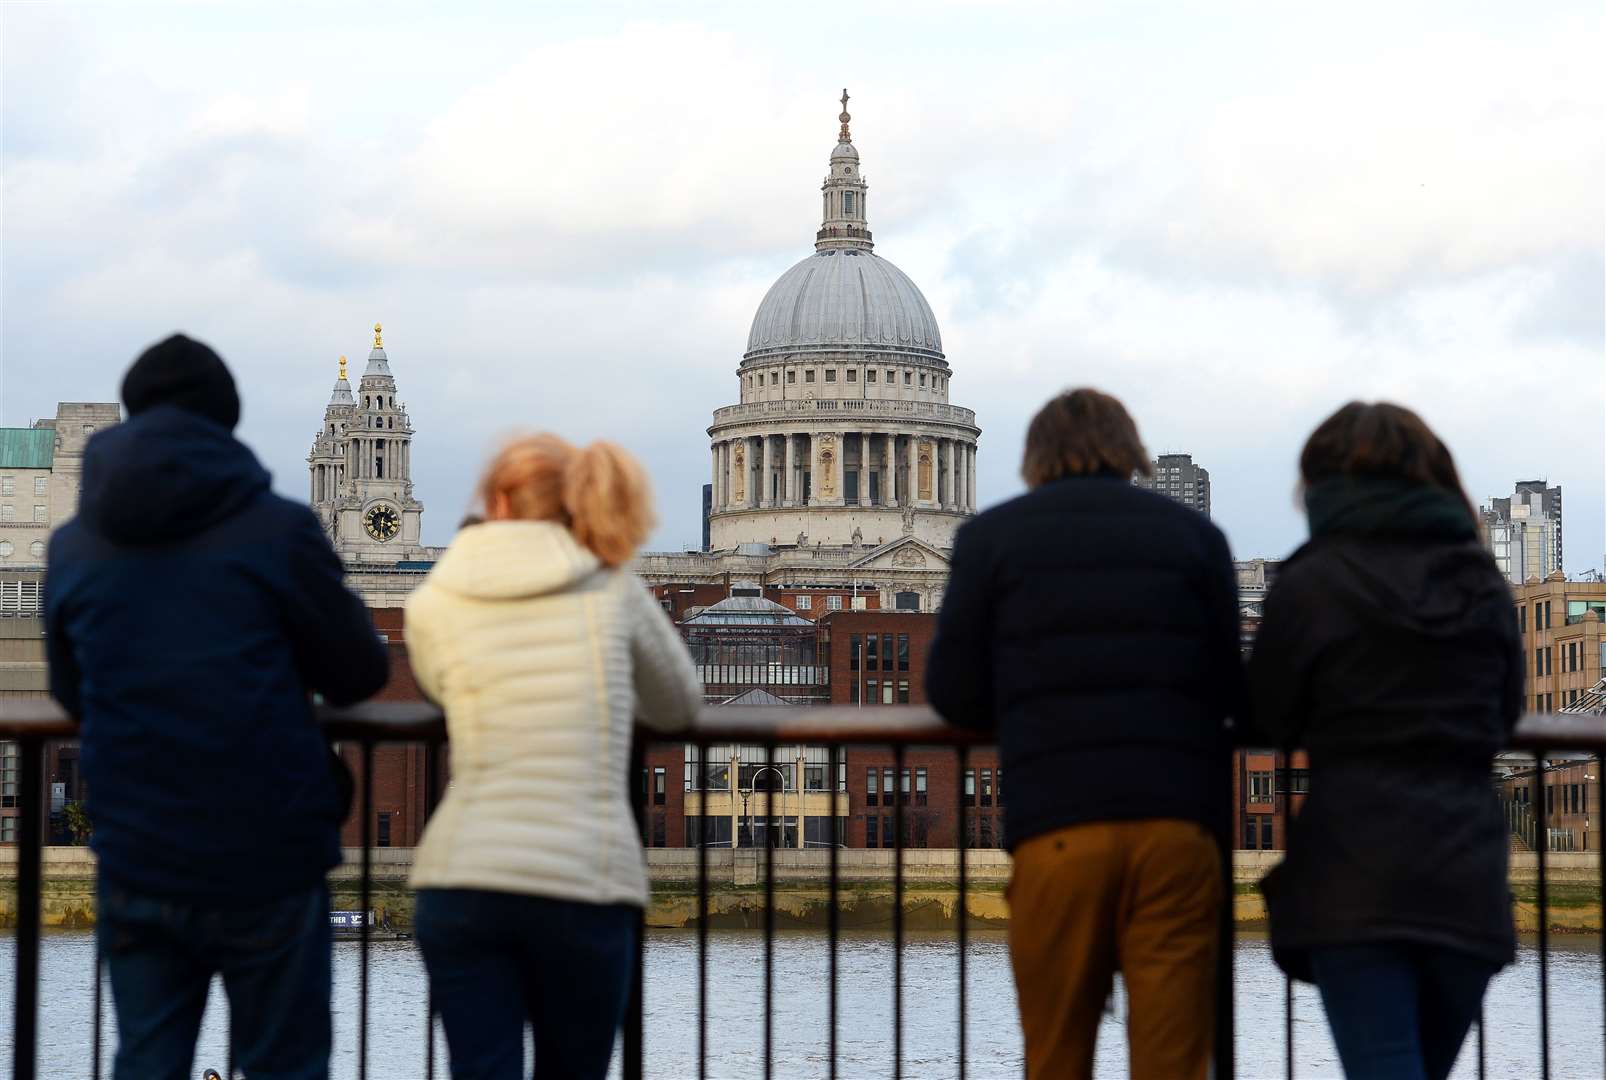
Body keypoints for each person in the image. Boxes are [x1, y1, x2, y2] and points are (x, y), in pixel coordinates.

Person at [45, 334, 390, 1080]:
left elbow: (73, 693)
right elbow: (360, 673)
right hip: (269, 844)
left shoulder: (74, 548)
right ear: (227, 423)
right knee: (283, 1061)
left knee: (148, 1057)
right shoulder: (280, 529)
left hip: (137, 843)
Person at [927, 388, 1243, 1080]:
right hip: (1175, 830)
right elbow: (1230, 688)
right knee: (1174, 1062)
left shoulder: (990, 540)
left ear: (1033, 458)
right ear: (1129, 450)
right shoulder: (1195, 538)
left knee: (1057, 1054)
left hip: (1058, 827)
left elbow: (952, 694)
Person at [406, 433, 701, 1080]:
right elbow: (680, 704)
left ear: (498, 500)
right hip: (585, 881)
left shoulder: (432, 599)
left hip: (462, 879)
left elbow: (437, 685)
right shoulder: (610, 584)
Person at [1248, 402, 1521, 1080]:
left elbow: (1268, 713)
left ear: (1321, 484)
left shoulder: (1310, 581)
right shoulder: (1480, 581)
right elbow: (1506, 708)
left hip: (1357, 874)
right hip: (1467, 874)